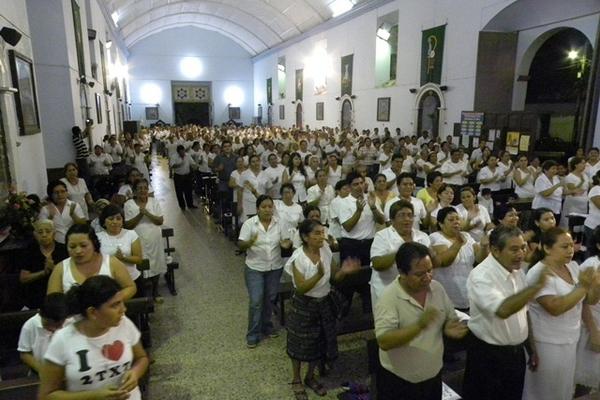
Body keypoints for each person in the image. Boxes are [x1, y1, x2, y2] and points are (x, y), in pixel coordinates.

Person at [374, 242, 468, 400]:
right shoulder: (389, 298)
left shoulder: (437, 288)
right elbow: (384, 341)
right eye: (419, 274)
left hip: (433, 375)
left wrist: (448, 327)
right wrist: (418, 326)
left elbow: (449, 317)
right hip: (401, 381)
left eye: (430, 270)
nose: (427, 277)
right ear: (402, 272)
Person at [463, 226, 548, 400]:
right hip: (488, 355)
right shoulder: (481, 276)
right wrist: (536, 287)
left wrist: (531, 347)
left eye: (523, 247)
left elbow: (524, 312)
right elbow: (503, 310)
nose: (521, 254)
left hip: (515, 354)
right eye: (514, 249)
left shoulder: (516, 270)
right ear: (495, 250)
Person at [39, 276, 149, 400]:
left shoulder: (124, 324)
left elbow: (142, 358)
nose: (123, 309)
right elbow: (47, 395)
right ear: (92, 312)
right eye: (115, 305)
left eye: (122, 302)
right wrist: (93, 396)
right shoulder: (63, 340)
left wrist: (135, 373)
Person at [285, 220, 361, 399]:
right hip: (304, 305)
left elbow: (335, 276)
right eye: (317, 233)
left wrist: (345, 271)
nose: (322, 237)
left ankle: (310, 377)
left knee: (318, 341)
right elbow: (301, 288)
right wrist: (318, 275)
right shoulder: (298, 257)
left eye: (322, 232)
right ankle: (296, 379)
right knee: (299, 342)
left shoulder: (325, 249)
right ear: (305, 237)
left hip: (324, 302)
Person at [524, 227, 600, 400]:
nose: (570, 250)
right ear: (547, 248)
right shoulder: (538, 272)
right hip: (548, 343)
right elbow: (555, 308)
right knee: (545, 392)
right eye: (564, 246)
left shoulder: (572, 267)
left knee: (563, 390)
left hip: (571, 338)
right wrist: (583, 286)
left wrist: (595, 286)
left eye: (572, 246)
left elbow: (589, 301)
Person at [237, 195, 292, 348]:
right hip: (255, 268)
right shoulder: (249, 224)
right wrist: (249, 242)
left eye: (270, 207)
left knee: (269, 299)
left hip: (274, 267)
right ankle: (253, 333)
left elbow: (286, 241)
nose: (268, 210)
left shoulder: (280, 223)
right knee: (256, 301)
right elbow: (240, 244)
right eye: (264, 207)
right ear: (257, 209)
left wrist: (286, 244)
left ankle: (266, 327)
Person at [47, 224, 137, 301]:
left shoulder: (111, 262)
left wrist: (112, 300)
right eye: (72, 247)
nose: (78, 251)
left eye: (83, 246)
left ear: (94, 244)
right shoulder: (61, 268)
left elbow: (130, 287)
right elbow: (52, 299)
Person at [370, 200, 430, 308]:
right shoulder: (382, 236)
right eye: (402, 215)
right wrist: (403, 250)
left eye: (410, 215)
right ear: (392, 220)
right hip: (387, 290)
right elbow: (377, 264)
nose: (407, 219)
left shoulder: (423, 236)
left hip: (416, 290)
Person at [430, 206, 489, 310]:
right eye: (451, 220)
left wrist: (484, 247)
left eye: (457, 219)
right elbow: (444, 262)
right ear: (441, 224)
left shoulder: (466, 236)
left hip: (469, 291)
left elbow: (479, 259)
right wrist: (458, 243)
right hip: (449, 296)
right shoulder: (435, 237)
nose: (456, 222)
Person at [124, 179, 167, 302]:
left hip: (155, 239)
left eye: (145, 188)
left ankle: (155, 291)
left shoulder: (153, 202)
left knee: (156, 263)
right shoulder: (129, 204)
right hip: (138, 240)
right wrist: (140, 215)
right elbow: (128, 225)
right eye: (140, 188)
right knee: (140, 265)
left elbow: (160, 221)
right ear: (134, 191)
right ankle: (143, 292)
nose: (143, 191)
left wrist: (147, 213)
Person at [19, 219, 69, 310]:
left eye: (48, 231)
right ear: (35, 235)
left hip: (61, 296)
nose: (44, 235)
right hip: (35, 298)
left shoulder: (64, 250)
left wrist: (54, 269)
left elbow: (69, 275)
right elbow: (23, 278)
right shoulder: (29, 251)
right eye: (40, 232)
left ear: (54, 233)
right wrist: (43, 272)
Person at [575, 226, 600, 392]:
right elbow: (583, 302)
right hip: (593, 326)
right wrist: (594, 332)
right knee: (585, 382)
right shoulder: (591, 265)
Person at [18, 293, 68, 374]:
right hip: (39, 372)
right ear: (40, 313)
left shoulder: (70, 323)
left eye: (58, 326)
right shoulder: (30, 325)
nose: (53, 329)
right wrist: (42, 369)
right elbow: (24, 353)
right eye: (48, 324)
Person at [97, 204, 143, 285]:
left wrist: (123, 258)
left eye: (118, 219)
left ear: (122, 221)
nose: (115, 222)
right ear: (104, 222)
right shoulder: (97, 237)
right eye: (111, 219)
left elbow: (139, 259)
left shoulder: (131, 234)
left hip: (131, 279)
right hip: (107, 282)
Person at [560, 156, 589, 228]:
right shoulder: (570, 176)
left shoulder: (585, 175)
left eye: (585, 163)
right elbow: (573, 191)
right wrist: (581, 182)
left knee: (580, 225)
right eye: (582, 163)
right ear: (576, 165)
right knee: (570, 224)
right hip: (573, 204)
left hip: (583, 204)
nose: (584, 165)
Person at [170, 144, 198, 210]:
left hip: (187, 176)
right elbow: (172, 165)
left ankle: (190, 204)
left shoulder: (187, 155)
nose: (182, 153)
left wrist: (195, 166)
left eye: (183, 151)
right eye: (181, 152)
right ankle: (182, 206)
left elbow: (192, 163)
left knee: (189, 191)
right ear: (178, 152)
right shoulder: (174, 156)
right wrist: (179, 165)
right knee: (179, 192)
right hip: (178, 176)